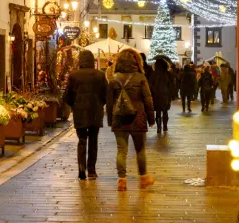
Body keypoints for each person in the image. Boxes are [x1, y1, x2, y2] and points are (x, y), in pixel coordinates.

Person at [106, 49, 156, 191]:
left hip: (119, 119)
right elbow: (148, 100)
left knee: (121, 150)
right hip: (138, 118)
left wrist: (110, 120)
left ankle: (122, 180)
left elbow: (109, 103)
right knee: (140, 150)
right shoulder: (140, 78)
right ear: (136, 61)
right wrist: (151, 119)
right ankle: (144, 178)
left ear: (119, 61)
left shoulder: (113, 79)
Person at [62, 50, 106, 180]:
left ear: (80, 60)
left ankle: (81, 169)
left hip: (80, 112)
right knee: (93, 140)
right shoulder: (100, 75)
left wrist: (74, 105)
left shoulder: (74, 76)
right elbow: (106, 94)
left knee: (82, 140)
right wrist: (100, 104)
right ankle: (91, 170)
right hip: (95, 112)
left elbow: (67, 96)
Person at [149, 57, 173, 133]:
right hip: (165, 95)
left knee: (158, 112)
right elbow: (171, 85)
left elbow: (150, 85)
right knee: (165, 111)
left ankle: (159, 128)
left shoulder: (153, 74)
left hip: (156, 95)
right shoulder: (167, 73)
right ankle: (165, 126)